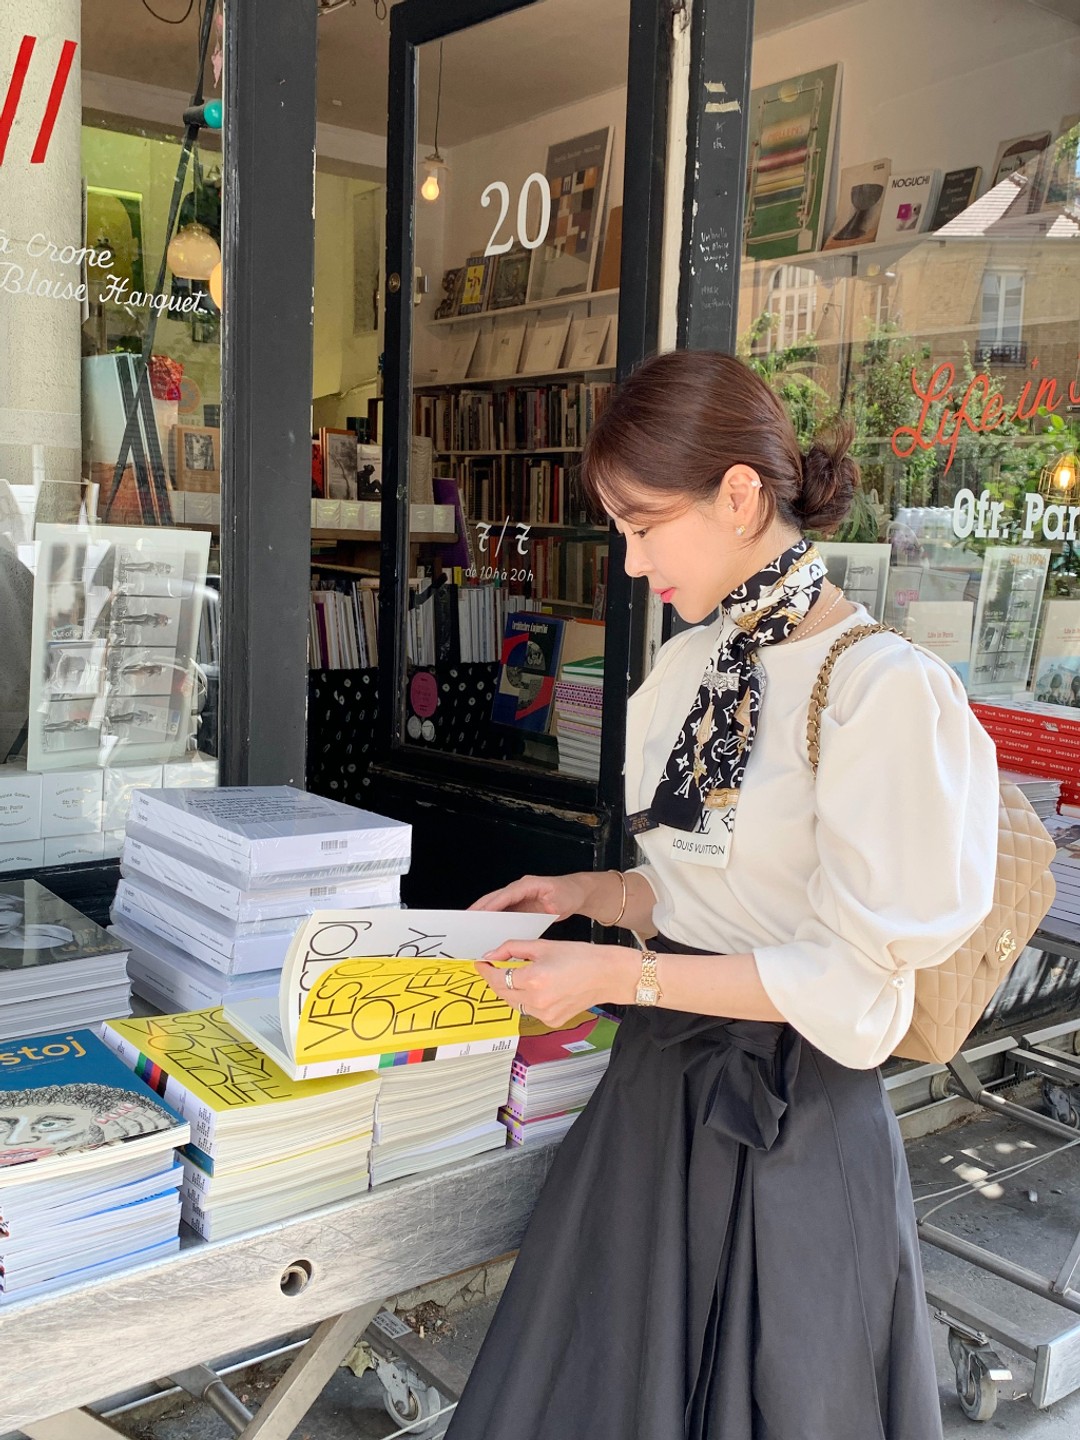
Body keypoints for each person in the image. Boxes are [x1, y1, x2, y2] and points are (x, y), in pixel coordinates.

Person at [446, 350, 999, 1440]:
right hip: (658, 1106)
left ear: (740, 496)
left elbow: (852, 984)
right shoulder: (699, 667)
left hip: (795, 1126)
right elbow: (702, 896)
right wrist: (585, 893)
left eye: (646, 525)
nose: (631, 558)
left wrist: (615, 975)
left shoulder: (880, 691)